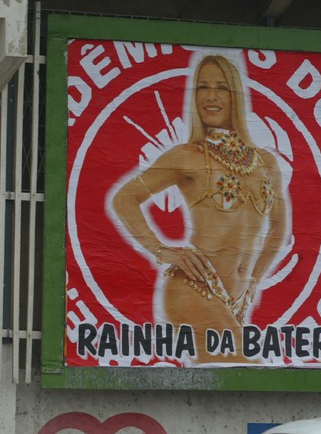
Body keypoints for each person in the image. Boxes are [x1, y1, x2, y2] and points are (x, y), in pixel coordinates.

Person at [111, 54, 288, 365]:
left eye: (221, 87)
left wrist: (253, 281)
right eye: (202, 87)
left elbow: (278, 228)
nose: (210, 96)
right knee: (245, 368)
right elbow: (124, 198)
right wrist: (163, 250)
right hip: (193, 288)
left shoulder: (266, 162)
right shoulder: (187, 156)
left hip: (235, 297)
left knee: (228, 380)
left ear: (235, 96)